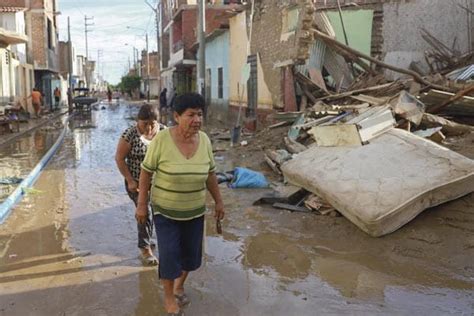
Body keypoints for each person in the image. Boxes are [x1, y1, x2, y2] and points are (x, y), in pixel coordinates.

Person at [136, 93, 224, 315]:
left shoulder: (204, 140)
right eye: (191, 114)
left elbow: (211, 174)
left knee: (191, 256)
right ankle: (168, 297)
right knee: (169, 254)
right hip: (165, 211)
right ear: (176, 116)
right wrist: (141, 204)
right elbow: (146, 172)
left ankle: (179, 285)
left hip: (194, 211)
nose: (197, 120)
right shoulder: (162, 140)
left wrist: (219, 202)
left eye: (200, 114)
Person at [115, 104, 165, 266]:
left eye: (152, 124)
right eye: (145, 124)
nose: (149, 128)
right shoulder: (130, 135)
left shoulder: (164, 133)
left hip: (159, 183)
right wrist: (130, 180)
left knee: (158, 212)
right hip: (136, 182)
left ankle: (148, 239)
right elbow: (119, 159)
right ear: (138, 121)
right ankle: (144, 248)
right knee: (145, 211)